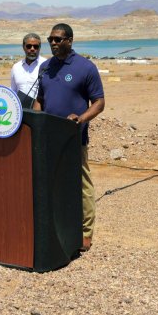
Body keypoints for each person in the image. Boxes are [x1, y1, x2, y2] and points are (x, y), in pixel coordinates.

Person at [33, 23, 105, 252]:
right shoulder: (44, 68)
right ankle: (56, 225)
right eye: (50, 39)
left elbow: (99, 103)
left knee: (81, 185)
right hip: (47, 139)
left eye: (58, 39)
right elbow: (40, 100)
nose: (53, 43)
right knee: (50, 183)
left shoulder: (85, 67)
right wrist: (35, 121)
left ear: (70, 41)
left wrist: (81, 119)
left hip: (74, 139)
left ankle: (85, 233)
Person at [10, 33, 47, 106]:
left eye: (35, 46)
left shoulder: (46, 65)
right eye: (29, 46)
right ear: (23, 47)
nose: (32, 49)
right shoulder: (16, 67)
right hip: (20, 111)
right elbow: (13, 90)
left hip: (40, 111)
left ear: (39, 48)